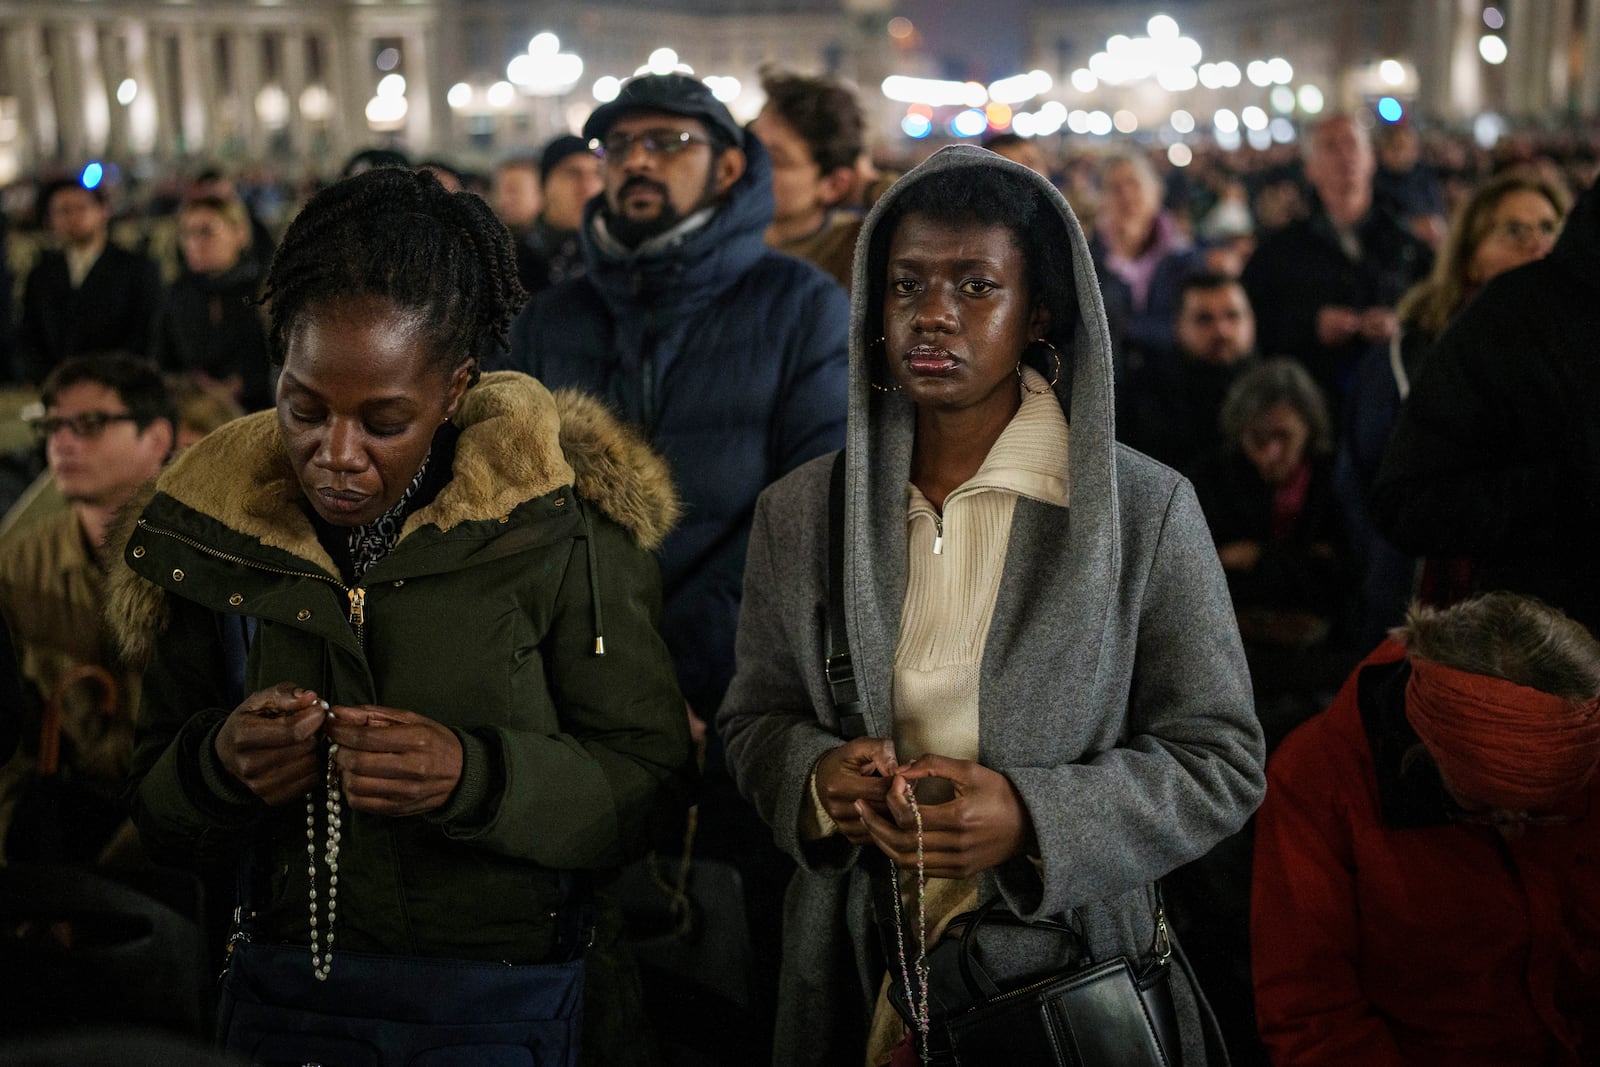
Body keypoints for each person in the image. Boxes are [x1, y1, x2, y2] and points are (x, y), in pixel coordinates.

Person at [110, 166, 696, 1065]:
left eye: (385, 420)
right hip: (291, 1003)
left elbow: (649, 784)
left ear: (456, 388)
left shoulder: (558, 529)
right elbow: (154, 808)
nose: (335, 454)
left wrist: (474, 776)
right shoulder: (214, 534)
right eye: (304, 407)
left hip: (508, 1001)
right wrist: (220, 765)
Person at [716, 145, 1265, 1067]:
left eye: (976, 285)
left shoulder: (1142, 511)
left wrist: (1033, 817)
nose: (933, 313)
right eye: (907, 285)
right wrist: (815, 781)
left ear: (1038, 312)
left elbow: (1221, 758)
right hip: (862, 975)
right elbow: (752, 721)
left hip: (1067, 980)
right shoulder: (805, 512)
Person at [507, 71, 850, 1057]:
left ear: (728, 163)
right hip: (576, 711)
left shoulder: (798, 303)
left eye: (667, 142)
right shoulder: (553, 317)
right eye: (620, 147)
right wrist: (601, 679)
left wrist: (682, 680)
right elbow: (519, 511)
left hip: (736, 703)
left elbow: (805, 507)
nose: (639, 163)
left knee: (722, 972)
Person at [1252, 592, 1600, 1065]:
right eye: (1489, 809)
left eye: (1547, 810)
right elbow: (1314, 1017)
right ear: (1427, 753)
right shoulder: (1318, 781)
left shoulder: (1577, 731)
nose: (1520, 830)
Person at [1341, 172, 1569, 644]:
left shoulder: (1572, 355)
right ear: (1470, 256)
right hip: (1421, 598)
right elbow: (1367, 482)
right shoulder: (1408, 357)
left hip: (1545, 606)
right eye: (1514, 231)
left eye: (1549, 227)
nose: (1537, 244)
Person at [0, 354, 175, 865]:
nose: (63, 442)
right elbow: (10, 749)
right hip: (61, 825)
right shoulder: (18, 566)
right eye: (53, 425)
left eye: (91, 424)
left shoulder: (206, 556)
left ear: (158, 438)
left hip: (178, 843)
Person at [1242, 115, 1432, 416]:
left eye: (1352, 144)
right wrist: (1311, 326)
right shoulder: (1277, 252)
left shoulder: (1407, 244)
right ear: (1311, 169)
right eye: (1330, 146)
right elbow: (1255, 322)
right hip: (1310, 403)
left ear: (1371, 159)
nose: (1345, 156)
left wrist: (1399, 325)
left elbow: (1435, 307)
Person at [16, 180, 164, 384]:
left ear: (102, 211)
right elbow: (30, 335)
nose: (72, 218)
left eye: (81, 208)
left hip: (116, 383)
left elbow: (144, 333)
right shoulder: (42, 273)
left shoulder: (136, 268)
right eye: (63, 211)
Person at [1121, 270, 1259, 471]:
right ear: (1178, 326)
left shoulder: (1277, 390)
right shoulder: (1146, 394)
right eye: (1204, 319)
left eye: (1233, 316)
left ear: (1251, 321)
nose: (1222, 331)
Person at [751, 68, 867, 291]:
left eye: (774, 160)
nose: (750, 165)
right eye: (750, 147)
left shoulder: (856, 253)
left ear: (834, 185)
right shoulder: (713, 235)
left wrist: (872, 187)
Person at [153, 195, 273, 410]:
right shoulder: (177, 294)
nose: (194, 243)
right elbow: (162, 362)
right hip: (194, 414)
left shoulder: (266, 290)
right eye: (187, 233)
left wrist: (242, 385)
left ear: (240, 234)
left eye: (207, 231)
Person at [1090, 151, 1191, 374]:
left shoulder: (1182, 255)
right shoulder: (1089, 257)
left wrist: (1126, 328)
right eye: (1115, 187)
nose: (1126, 195)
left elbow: (1184, 327)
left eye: (1133, 184)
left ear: (1155, 191)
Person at [512, 136, 604, 299]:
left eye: (596, 173)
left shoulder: (615, 260)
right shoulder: (514, 263)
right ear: (544, 186)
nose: (587, 187)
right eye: (572, 173)